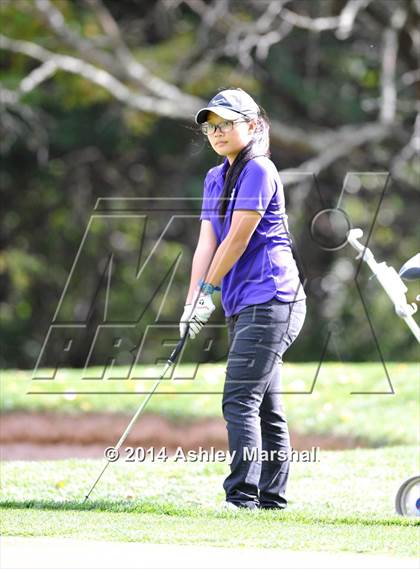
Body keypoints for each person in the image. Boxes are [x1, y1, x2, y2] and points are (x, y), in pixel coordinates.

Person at [179, 88, 307, 510]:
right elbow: (207, 242)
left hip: (273, 298)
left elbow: (238, 238)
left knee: (238, 398)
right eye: (211, 126)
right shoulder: (215, 176)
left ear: (252, 126)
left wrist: (210, 290)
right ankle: (272, 500)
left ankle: (242, 496)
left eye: (226, 124)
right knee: (264, 404)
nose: (216, 133)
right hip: (245, 302)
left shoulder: (260, 169)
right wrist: (193, 299)